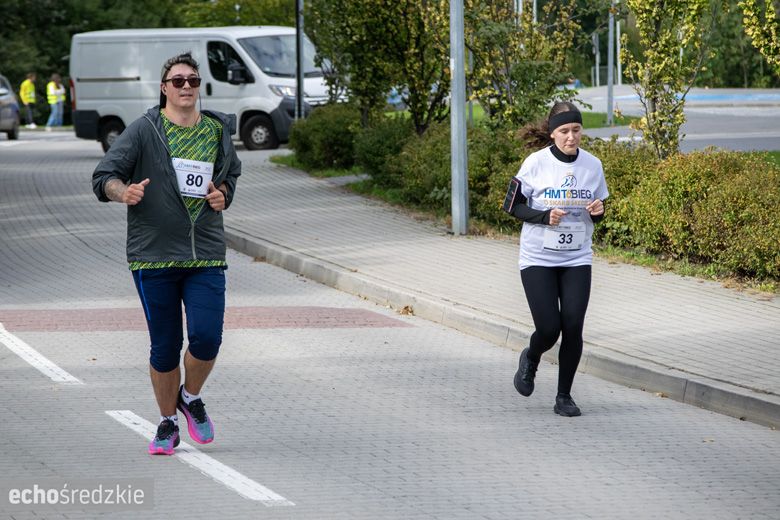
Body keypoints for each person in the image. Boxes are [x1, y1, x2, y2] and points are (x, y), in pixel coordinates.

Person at [92, 52, 241, 455]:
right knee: (164, 345)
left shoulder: (216, 129)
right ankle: (166, 423)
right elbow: (104, 176)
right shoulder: (144, 130)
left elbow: (230, 175)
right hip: (153, 256)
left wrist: (222, 194)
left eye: (193, 80)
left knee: (207, 338)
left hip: (205, 252)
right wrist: (123, 192)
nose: (187, 87)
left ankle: (190, 397)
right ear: (164, 89)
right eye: (178, 81)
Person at [506, 101, 608, 417]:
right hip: (538, 257)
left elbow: (601, 207)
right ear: (552, 134)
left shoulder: (593, 165)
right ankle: (532, 356)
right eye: (564, 131)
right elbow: (512, 206)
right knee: (549, 329)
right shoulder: (535, 164)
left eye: (576, 130)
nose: (571, 137)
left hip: (577, 256)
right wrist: (543, 216)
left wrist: (600, 211)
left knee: (573, 326)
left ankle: (564, 396)